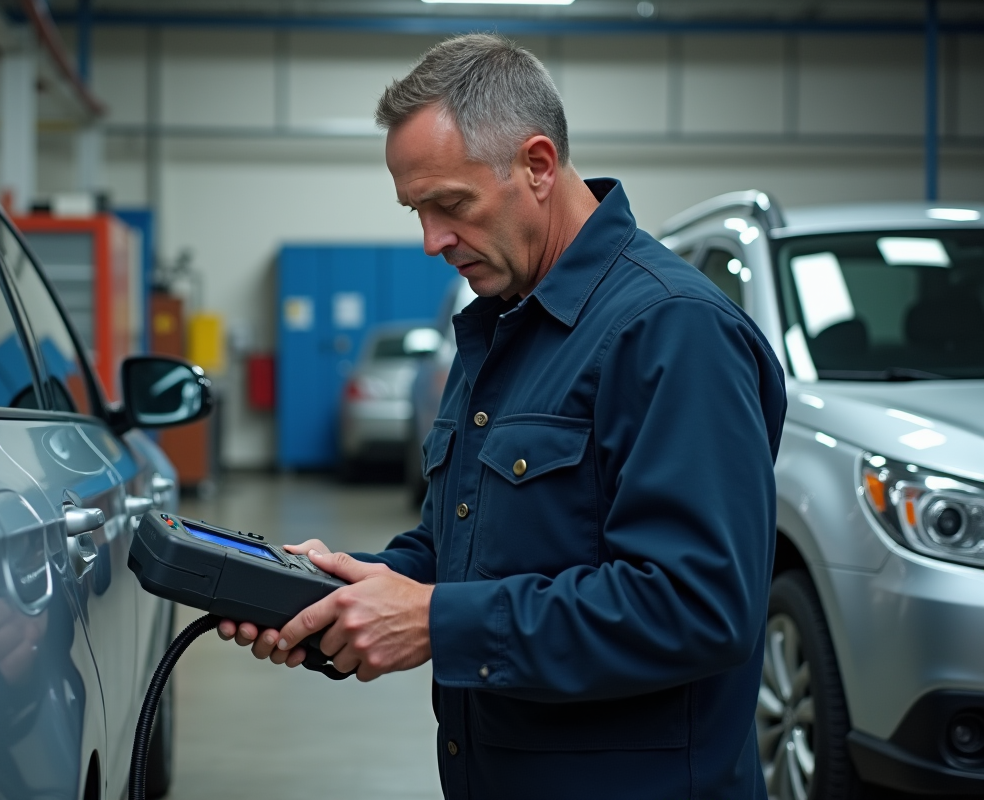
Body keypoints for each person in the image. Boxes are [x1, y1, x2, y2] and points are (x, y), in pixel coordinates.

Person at [219, 33, 786, 799]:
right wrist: (361, 589)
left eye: (450, 205)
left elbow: (698, 605)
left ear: (539, 165)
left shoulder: (671, 331)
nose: (430, 241)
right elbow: (463, 539)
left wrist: (436, 623)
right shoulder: (502, 324)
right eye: (416, 210)